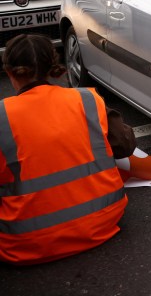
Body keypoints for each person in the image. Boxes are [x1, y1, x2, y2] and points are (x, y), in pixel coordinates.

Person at [0, 34, 135, 265]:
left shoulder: (3, 116)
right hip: (102, 221)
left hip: (24, 242)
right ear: (52, 65)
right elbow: (125, 145)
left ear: (10, 72)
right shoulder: (86, 100)